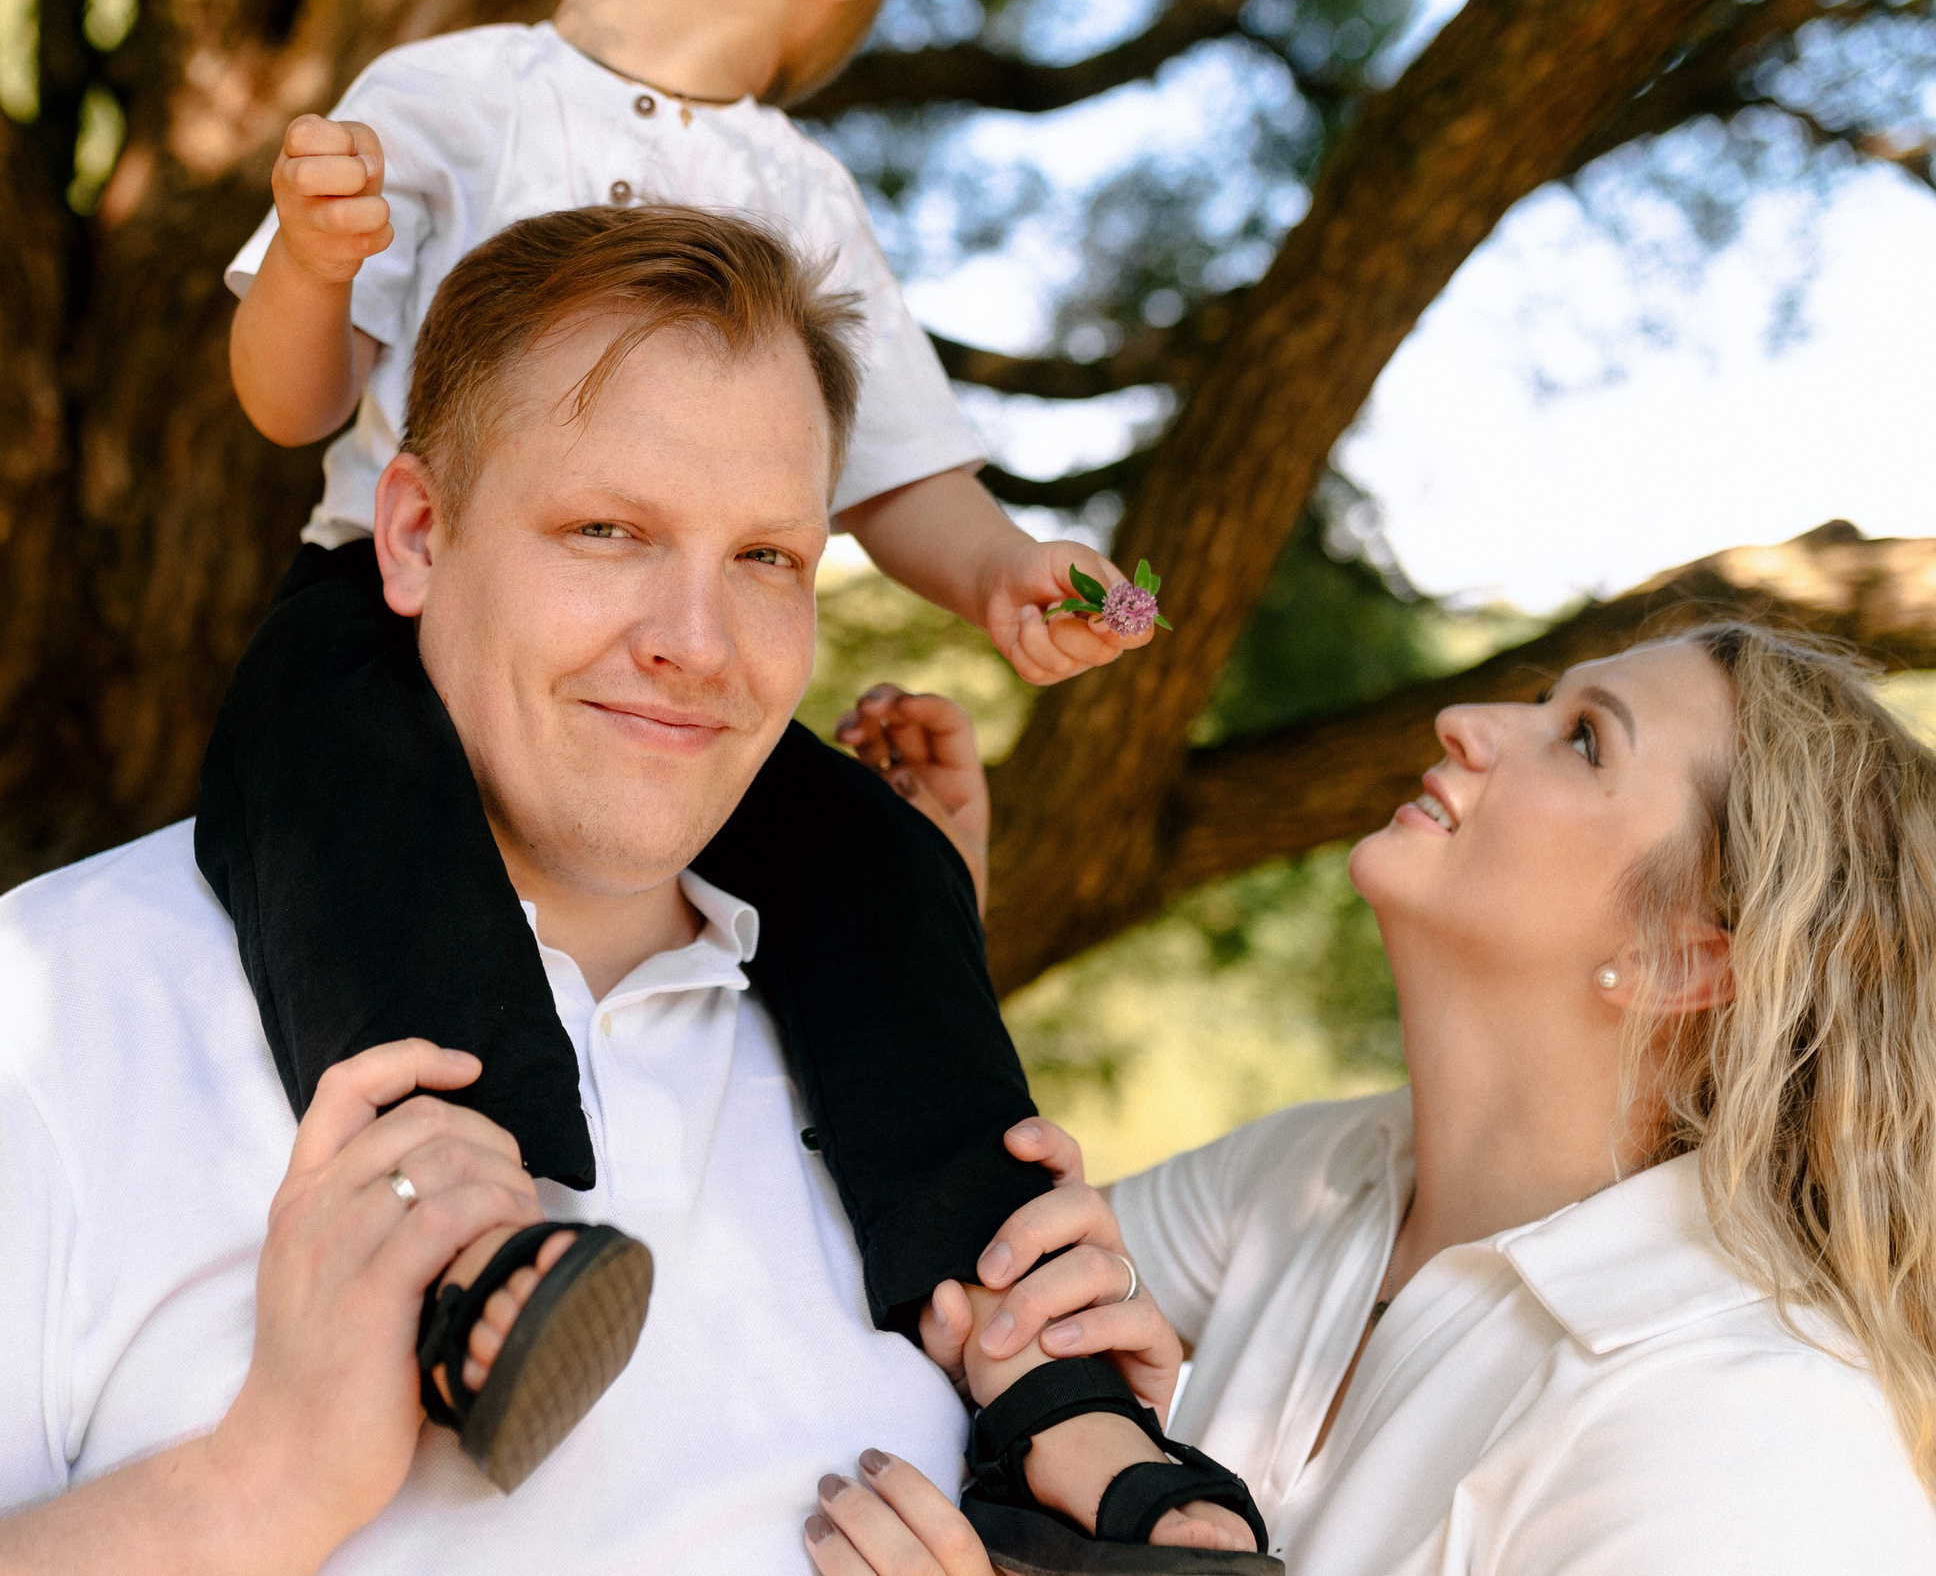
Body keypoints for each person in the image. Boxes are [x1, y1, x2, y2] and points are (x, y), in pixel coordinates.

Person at [0, 208, 1257, 1576]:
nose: (699, 641)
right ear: (416, 535)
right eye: (607, 530)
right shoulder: (54, 1009)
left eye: (764, 557)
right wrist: (248, 1490)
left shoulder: (893, 1070)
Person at [206, 0, 1163, 1498]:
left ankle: (1045, 1363)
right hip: (387, 602)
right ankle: (475, 1247)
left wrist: (1007, 568)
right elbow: (294, 402)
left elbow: (896, 476)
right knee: (349, 802)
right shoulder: (451, 91)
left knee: (885, 868)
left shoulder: (804, 196)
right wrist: (308, 262)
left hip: (670, 673)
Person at [804, 623, 1936, 1573]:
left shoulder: (1756, 1439)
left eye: (1584, 738)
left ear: (1680, 960)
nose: (1466, 720)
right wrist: (928, 928)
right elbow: (967, 1277)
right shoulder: (1325, 1172)